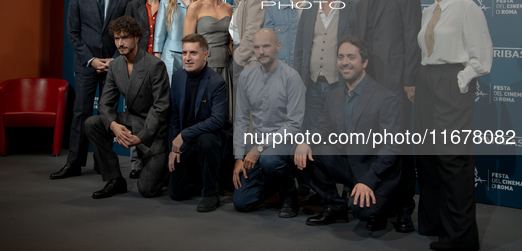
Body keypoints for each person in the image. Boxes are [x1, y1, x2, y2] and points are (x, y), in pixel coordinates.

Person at [415, 0, 492, 251]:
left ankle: (459, 238)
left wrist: (460, 80)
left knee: (452, 159)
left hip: (450, 83)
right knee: (429, 158)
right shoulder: (429, 10)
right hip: (426, 82)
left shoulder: (467, 7)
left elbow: (482, 58)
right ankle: (434, 223)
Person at [294, 35, 402, 231]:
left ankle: (388, 204)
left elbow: (391, 147)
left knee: (363, 212)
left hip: (376, 173)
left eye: (351, 57)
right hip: (351, 166)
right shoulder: (334, 96)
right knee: (304, 153)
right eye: (341, 57)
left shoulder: (385, 97)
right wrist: (306, 141)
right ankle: (335, 207)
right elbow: (322, 127)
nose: (345, 62)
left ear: (365, 62)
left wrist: (368, 181)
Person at [355, 0, 422, 232]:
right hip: (368, 89)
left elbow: (412, 40)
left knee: (400, 150)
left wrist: (409, 80)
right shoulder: (360, 4)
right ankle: (379, 207)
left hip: (396, 87)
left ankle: (404, 211)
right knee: (373, 150)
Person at [51, 0, 132, 180]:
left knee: (106, 116)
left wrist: (114, 59)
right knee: (81, 114)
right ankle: (74, 163)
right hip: (86, 66)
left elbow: (126, 33)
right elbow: (73, 33)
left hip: (112, 67)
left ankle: (102, 162)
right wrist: (92, 60)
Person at [84, 16, 171, 199]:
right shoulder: (115, 66)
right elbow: (105, 103)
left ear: (136, 37)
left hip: (152, 130)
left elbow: (160, 107)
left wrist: (140, 138)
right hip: (131, 120)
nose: (120, 43)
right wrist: (113, 125)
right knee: (93, 123)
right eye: (117, 38)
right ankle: (114, 179)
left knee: (147, 190)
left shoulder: (155, 65)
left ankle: (164, 171)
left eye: (125, 38)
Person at [233, 28, 306, 218]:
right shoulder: (246, 77)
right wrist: (238, 158)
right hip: (257, 145)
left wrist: (259, 147)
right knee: (242, 203)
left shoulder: (292, 78)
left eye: (266, 46)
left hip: (284, 143)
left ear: (278, 47)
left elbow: (294, 125)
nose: (261, 51)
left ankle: (290, 195)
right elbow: (240, 120)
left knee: (269, 159)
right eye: (257, 47)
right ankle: (274, 181)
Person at [168, 34, 229, 212]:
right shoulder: (177, 77)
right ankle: (199, 180)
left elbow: (217, 121)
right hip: (185, 142)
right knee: (176, 193)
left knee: (207, 140)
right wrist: (173, 146)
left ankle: (211, 192)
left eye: (193, 53)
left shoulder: (217, 82)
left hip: (207, 138)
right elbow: (173, 116)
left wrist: (183, 135)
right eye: (184, 53)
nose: (187, 58)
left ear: (205, 55)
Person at [293, 0, 357, 131]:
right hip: (312, 85)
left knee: (342, 131)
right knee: (315, 134)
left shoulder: (354, 8)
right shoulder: (308, 9)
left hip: (341, 84)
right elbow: (299, 50)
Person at [125, 0, 167, 179]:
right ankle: (136, 163)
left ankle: (158, 159)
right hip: (138, 65)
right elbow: (128, 35)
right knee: (137, 115)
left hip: (161, 66)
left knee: (157, 113)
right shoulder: (133, 6)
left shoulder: (169, 5)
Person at [184, 0, 233, 122]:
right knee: (204, 116)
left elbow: (230, 41)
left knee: (225, 116)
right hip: (204, 69)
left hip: (226, 67)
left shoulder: (228, 8)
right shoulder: (195, 7)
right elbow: (188, 44)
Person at [154, 0, 201, 82]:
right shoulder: (165, 3)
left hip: (194, 56)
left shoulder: (200, 3)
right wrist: (157, 59)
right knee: (170, 94)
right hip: (170, 56)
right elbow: (159, 34)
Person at [264, 0, 313, 68]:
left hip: (309, 73)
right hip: (281, 72)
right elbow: (266, 44)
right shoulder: (274, 7)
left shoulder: (316, 6)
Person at [230, 0, 269, 89]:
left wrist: (238, 58)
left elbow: (253, 33)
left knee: (247, 107)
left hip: (248, 59)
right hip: (241, 56)